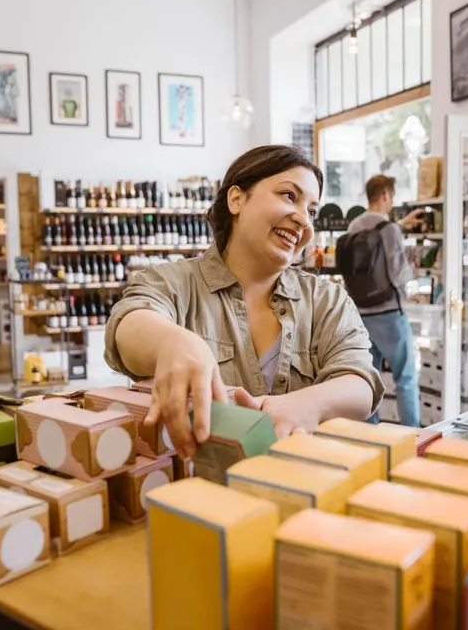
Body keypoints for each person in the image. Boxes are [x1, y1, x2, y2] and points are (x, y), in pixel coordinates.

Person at [104, 145, 384, 459]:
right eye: (289, 196)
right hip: (196, 491)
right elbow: (127, 326)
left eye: (312, 211)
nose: (304, 220)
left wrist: (307, 405)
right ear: (236, 199)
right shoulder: (173, 283)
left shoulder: (326, 300)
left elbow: (360, 383)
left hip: (304, 487)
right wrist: (172, 342)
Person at [342, 175, 423, 427]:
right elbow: (398, 272)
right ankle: (413, 437)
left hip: (361, 313)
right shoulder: (389, 229)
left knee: (370, 378)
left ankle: (370, 435)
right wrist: (415, 272)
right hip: (389, 314)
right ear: (386, 196)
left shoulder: (354, 225)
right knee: (406, 378)